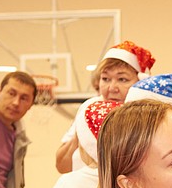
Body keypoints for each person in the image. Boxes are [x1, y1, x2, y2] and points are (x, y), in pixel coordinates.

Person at [55, 41, 155, 174]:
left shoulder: (151, 114)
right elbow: (62, 166)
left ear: (140, 82)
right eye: (105, 79)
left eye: (122, 79)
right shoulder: (89, 109)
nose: (112, 88)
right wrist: (81, 133)